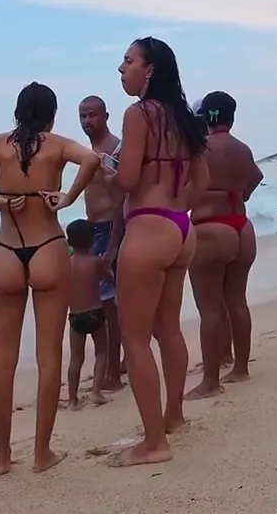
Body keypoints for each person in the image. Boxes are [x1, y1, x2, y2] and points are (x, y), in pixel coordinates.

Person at [0, 81, 99, 475]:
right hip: (48, 246)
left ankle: (1, 456)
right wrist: (69, 197)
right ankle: (42, 454)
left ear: (17, 111)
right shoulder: (58, 145)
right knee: (49, 358)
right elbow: (91, 160)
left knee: (2, 358)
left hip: (6, 250)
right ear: (52, 115)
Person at [108, 37, 209, 468]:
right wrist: (180, 206)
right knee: (168, 329)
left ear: (148, 70)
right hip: (181, 228)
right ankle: (174, 416)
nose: (121, 68)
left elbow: (128, 179)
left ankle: (154, 443)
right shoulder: (185, 118)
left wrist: (102, 169)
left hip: (148, 227)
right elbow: (202, 179)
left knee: (134, 339)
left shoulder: (138, 114)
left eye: (128, 61)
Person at [186, 91, 263, 399]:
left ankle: (210, 381)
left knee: (210, 309)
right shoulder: (242, 148)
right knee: (237, 302)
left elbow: (181, 187)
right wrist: (240, 194)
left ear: (205, 116)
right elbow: (256, 176)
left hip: (210, 227)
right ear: (232, 116)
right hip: (241, 226)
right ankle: (240, 369)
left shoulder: (199, 148)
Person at [78, 95, 125, 391]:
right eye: (83, 116)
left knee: (110, 306)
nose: (87, 121)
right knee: (106, 302)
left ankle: (113, 373)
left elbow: (121, 200)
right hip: (94, 229)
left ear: (106, 116)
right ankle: (117, 364)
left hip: (109, 230)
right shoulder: (90, 152)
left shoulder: (114, 150)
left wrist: (114, 245)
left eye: (93, 115)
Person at [63, 220, 112, 409]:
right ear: (92, 240)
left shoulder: (66, 264)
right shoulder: (95, 261)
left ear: (69, 241)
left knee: (76, 359)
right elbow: (108, 278)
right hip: (95, 312)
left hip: (75, 316)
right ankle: (96, 392)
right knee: (102, 352)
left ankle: (72, 400)